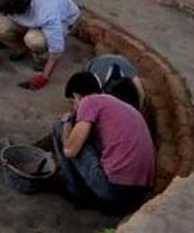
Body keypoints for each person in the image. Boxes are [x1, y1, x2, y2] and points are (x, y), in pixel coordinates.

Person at [51, 72, 155, 213]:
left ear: (77, 97)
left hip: (113, 190)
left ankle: (74, 190)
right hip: (138, 194)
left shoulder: (90, 101)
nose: (74, 108)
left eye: (73, 103)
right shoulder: (121, 106)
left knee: (59, 125)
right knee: (87, 137)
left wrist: (67, 122)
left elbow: (70, 151)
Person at [0, 0, 81, 90]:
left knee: (34, 40)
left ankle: (42, 58)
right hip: (32, 15)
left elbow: (56, 51)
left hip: (65, 19)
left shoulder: (47, 14)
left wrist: (44, 77)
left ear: (19, 12)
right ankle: (22, 49)